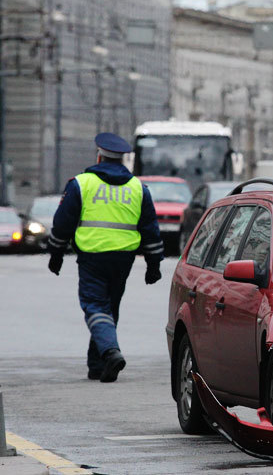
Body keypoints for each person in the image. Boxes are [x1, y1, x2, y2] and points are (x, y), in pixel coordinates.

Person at [47, 133, 164, 383]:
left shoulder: (82, 183)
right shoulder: (138, 188)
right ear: (122, 160)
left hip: (92, 256)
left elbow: (62, 223)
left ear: (99, 156)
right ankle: (97, 365)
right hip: (124, 259)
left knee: (94, 306)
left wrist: (56, 253)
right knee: (109, 308)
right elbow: (151, 229)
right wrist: (154, 265)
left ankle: (110, 352)